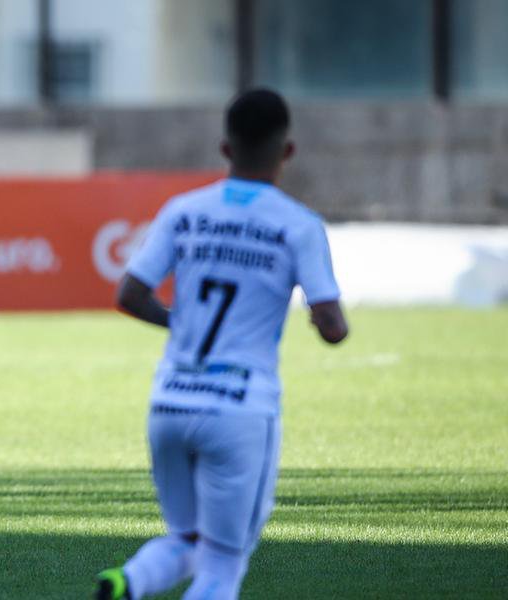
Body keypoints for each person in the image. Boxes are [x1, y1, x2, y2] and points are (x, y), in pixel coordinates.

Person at [96, 88, 348, 600]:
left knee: (185, 540)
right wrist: (319, 323)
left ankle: (128, 582)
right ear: (288, 151)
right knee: (223, 564)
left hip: (169, 401)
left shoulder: (183, 210)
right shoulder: (298, 225)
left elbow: (129, 294)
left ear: (226, 148)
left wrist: (181, 326)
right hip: (239, 409)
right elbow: (332, 324)